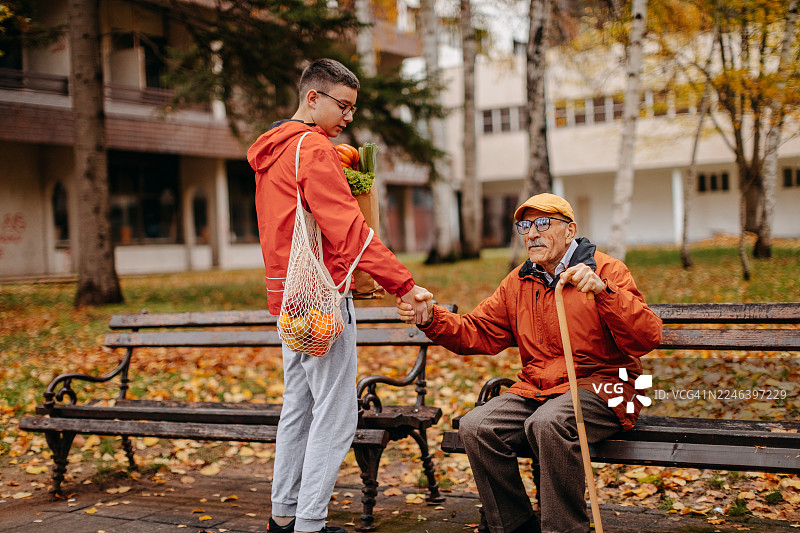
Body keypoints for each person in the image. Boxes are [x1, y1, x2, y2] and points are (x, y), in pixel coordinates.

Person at [397, 193, 662, 533]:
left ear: (569, 231)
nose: (532, 233)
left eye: (542, 224)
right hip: (540, 389)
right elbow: (477, 331)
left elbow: (646, 338)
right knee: (477, 427)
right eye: (525, 226)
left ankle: (564, 529)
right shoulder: (518, 282)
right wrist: (431, 318)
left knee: (549, 422)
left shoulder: (607, 270)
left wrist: (604, 292)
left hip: (604, 386)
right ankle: (515, 526)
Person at [248, 58, 430, 533]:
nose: (348, 116)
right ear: (313, 97)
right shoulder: (312, 148)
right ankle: (310, 524)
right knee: (336, 414)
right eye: (343, 106)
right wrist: (404, 283)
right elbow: (349, 231)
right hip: (323, 297)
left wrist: (341, 157)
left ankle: (283, 516)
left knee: (298, 407)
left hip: (288, 297)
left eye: (353, 108)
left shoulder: (275, 149)